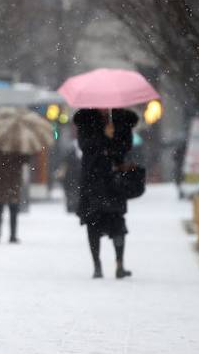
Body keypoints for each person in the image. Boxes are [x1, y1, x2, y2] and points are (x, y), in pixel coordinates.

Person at [73, 108, 138, 279]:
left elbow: (127, 146)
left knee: (117, 222)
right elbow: (85, 146)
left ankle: (120, 265)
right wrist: (104, 136)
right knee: (93, 222)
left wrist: (114, 139)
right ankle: (97, 264)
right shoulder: (85, 119)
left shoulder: (122, 119)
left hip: (114, 181)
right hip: (92, 180)